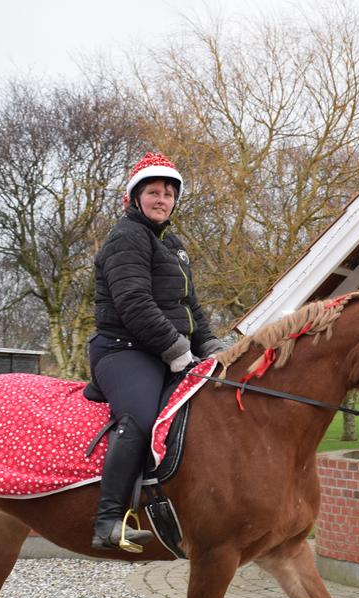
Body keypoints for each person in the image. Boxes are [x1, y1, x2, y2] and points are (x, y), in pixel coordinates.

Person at [89, 152, 225, 550]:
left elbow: (190, 306)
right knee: (141, 418)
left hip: (168, 351)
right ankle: (108, 521)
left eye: (168, 193)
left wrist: (212, 346)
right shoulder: (126, 237)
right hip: (123, 351)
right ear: (135, 197)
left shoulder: (174, 245)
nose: (161, 199)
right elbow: (133, 302)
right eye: (153, 192)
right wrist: (177, 351)